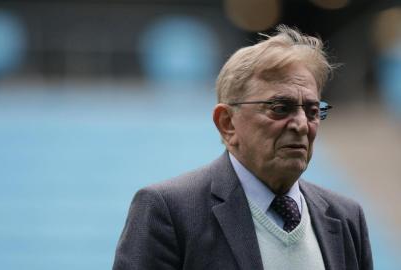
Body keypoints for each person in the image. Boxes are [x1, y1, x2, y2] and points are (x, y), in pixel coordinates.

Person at [113, 25, 373, 270]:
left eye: (313, 110)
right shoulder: (169, 211)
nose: (302, 125)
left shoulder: (347, 218)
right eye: (280, 108)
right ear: (227, 123)